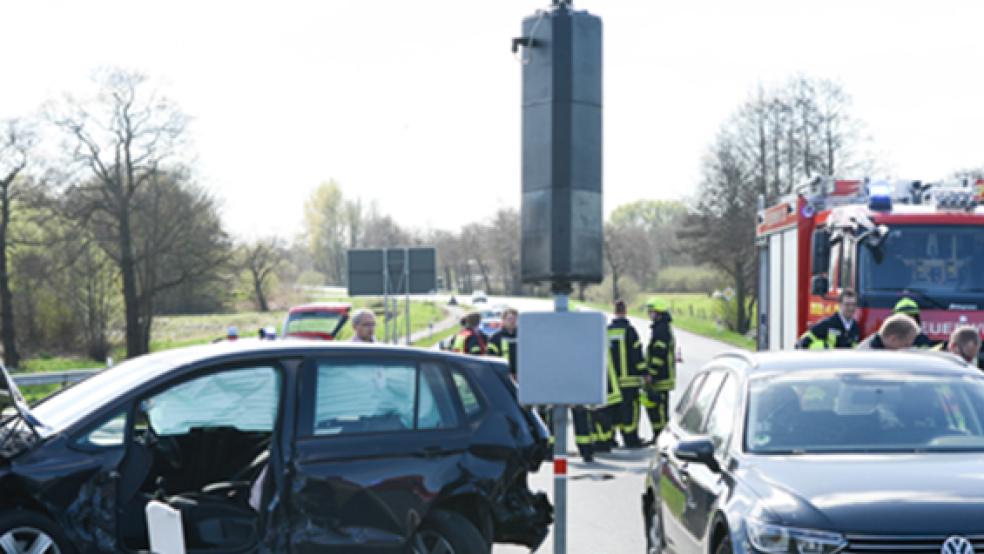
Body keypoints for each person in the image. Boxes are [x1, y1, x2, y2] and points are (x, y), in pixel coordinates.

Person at [604, 299, 645, 448]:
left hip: (612, 381)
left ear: (614, 312)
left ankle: (611, 439)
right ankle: (630, 439)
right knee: (630, 410)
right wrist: (644, 372)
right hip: (630, 381)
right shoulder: (630, 331)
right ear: (625, 311)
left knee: (614, 410)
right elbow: (637, 355)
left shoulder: (607, 331)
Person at [642, 297, 676, 443]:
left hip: (661, 377)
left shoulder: (661, 330)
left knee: (660, 409)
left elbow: (658, 354)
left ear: (659, 313)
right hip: (661, 376)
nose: (650, 315)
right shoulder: (661, 327)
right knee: (656, 407)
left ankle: (662, 437)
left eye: (652, 312)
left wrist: (651, 373)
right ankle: (658, 435)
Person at [488, 308, 518, 377]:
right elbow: (490, 357)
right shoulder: (495, 337)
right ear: (503, 320)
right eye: (509, 319)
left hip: (521, 375)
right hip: (503, 375)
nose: (512, 322)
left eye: (515, 319)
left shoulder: (522, 336)